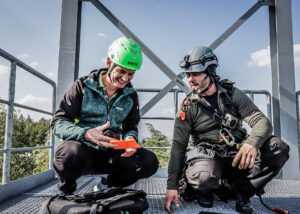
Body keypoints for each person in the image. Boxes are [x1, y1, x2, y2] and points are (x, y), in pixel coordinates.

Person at [164, 46, 289, 214]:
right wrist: (171, 186)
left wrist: (252, 143)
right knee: (204, 177)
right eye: (188, 75)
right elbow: (179, 146)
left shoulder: (233, 95)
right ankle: (206, 189)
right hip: (207, 158)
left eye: (195, 74)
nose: (190, 80)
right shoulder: (188, 106)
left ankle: (242, 192)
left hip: (236, 157)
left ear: (210, 72)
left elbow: (262, 122)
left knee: (278, 148)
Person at [51, 37, 159, 195]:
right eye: (121, 71)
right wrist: (86, 134)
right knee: (67, 154)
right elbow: (58, 123)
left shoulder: (131, 95)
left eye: (131, 74)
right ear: (109, 63)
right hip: (84, 151)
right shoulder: (82, 86)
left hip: (112, 152)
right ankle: (66, 193)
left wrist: (130, 139)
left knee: (149, 162)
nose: (125, 78)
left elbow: (131, 126)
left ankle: (108, 185)